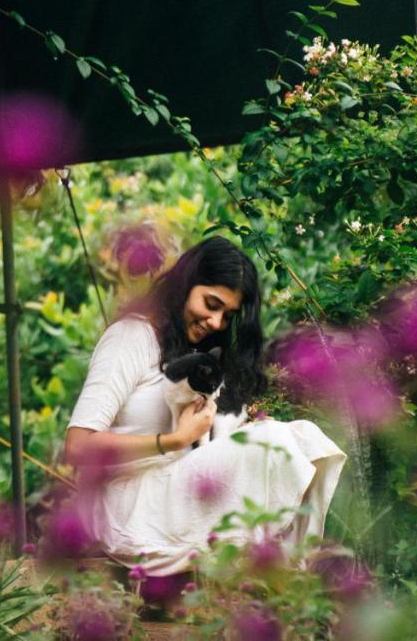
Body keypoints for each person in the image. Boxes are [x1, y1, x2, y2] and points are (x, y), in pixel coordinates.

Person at [64, 236, 346, 575]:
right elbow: (78, 446)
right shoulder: (131, 338)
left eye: (227, 315)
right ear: (186, 284)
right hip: (126, 505)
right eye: (211, 304)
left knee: (306, 439)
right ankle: (281, 569)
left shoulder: (198, 353)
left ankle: (292, 569)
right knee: (275, 443)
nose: (215, 322)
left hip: (172, 489)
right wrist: (174, 441)